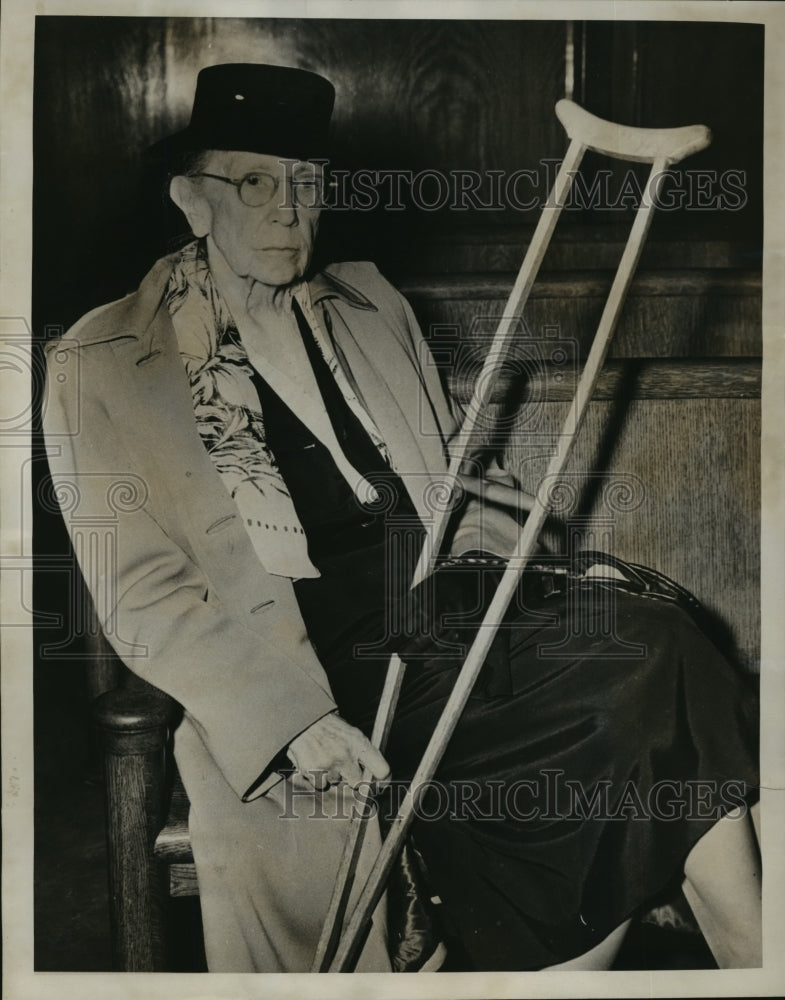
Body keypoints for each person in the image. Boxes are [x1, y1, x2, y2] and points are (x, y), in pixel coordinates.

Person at [43, 63, 761, 973]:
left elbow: (474, 483)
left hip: (449, 619)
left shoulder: (368, 307)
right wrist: (285, 721)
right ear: (190, 198)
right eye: (254, 182)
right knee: (646, 677)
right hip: (314, 671)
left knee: (662, 638)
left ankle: (740, 958)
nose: (286, 210)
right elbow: (141, 593)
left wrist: (486, 559)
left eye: (308, 183)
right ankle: (731, 955)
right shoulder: (104, 358)